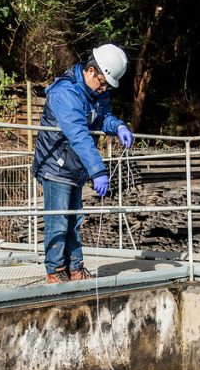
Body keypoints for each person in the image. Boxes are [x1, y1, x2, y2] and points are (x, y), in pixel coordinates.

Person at [32, 44, 134, 284]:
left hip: (75, 165)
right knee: (58, 219)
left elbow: (102, 117)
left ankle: (75, 267)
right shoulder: (65, 93)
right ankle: (55, 270)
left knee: (75, 219)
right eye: (103, 82)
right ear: (90, 71)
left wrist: (117, 126)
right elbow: (78, 133)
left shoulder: (96, 93)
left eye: (108, 85)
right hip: (56, 165)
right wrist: (98, 170)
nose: (104, 88)